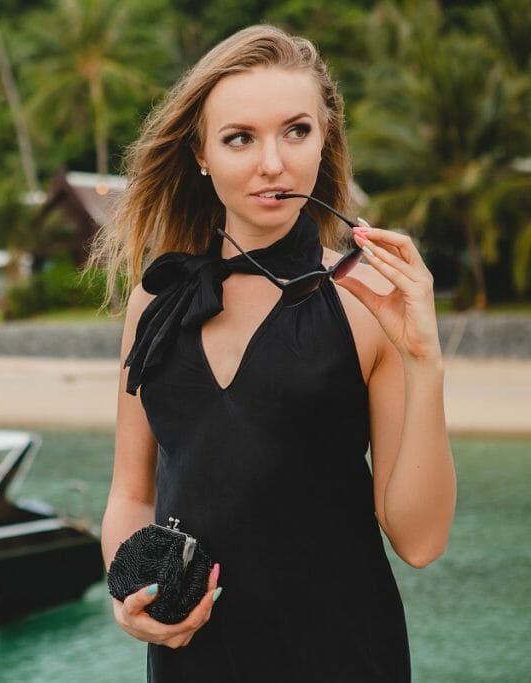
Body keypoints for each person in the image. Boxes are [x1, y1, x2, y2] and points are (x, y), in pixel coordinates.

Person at [93, 25, 456, 682]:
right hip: (193, 663)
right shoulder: (157, 301)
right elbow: (130, 492)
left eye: (296, 131)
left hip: (342, 658)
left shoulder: (364, 302)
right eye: (240, 138)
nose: (273, 163)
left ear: (324, 139)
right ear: (201, 154)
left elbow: (421, 541)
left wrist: (424, 362)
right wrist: (131, 599)